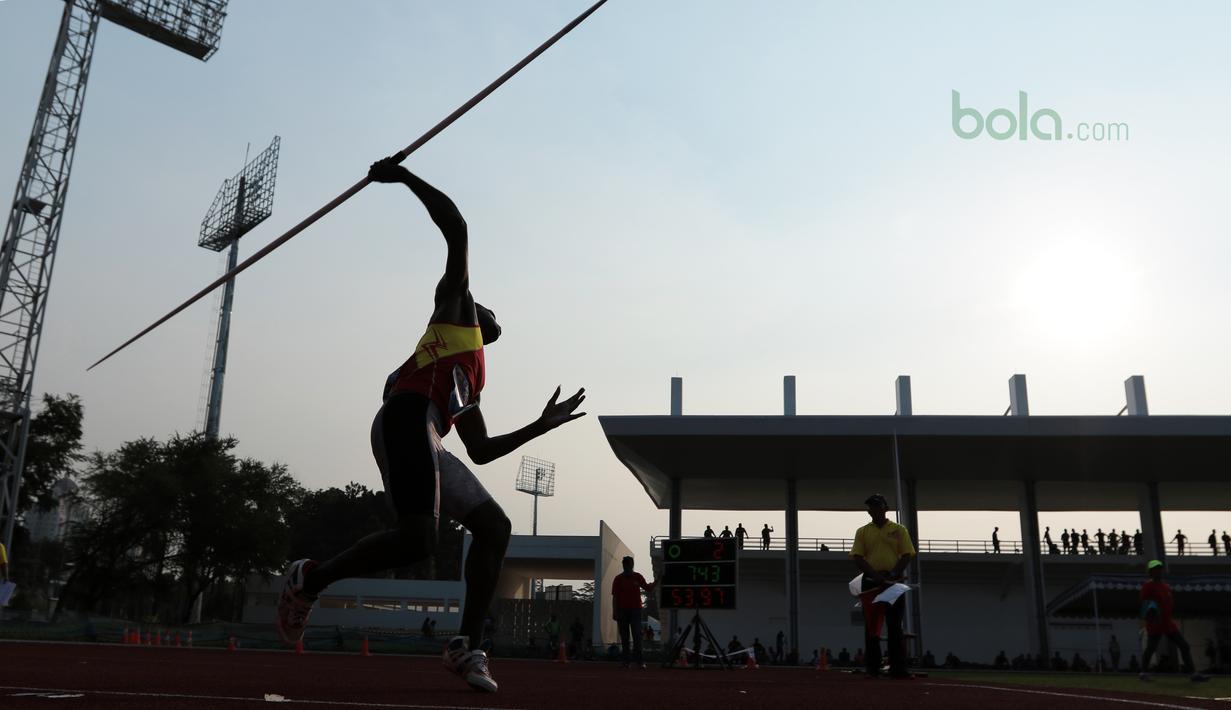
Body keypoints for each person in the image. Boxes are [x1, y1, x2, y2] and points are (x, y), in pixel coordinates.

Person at [274, 158, 586, 694]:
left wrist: (540, 424)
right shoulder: (454, 309)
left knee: (496, 527)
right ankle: (310, 579)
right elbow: (457, 227)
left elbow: (482, 450)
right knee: (420, 538)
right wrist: (406, 177)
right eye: (482, 305)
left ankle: (466, 646)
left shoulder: (472, 374)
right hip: (405, 416)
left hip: (430, 431)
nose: (489, 313)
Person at [850, 493, 915, 679]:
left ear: (886, 508)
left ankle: (898, 668)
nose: (873, 509)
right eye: (870, 506)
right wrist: (877, 577)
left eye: (877, 505)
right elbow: (857, 557)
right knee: (872, 627)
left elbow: (907, 554)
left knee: (895, 626)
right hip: (871, 583)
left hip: (893, 583)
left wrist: (892, 574)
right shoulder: (863, 531)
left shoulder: (898, 529)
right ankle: (872, 667)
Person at [1139, 559, 1208, 682]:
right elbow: (1145, 603)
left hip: (1168, 622)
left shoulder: (1165, 586)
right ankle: (1143, 672)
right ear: (1150, 572)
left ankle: (1193, 674)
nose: (1158, 571)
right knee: (1151, 648)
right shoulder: (1148, 586)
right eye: (1155, 569)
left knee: (1184, 646)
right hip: (1156, 622)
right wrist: (1150, 617)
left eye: (1159, 568)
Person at [611, 555, 655, 669]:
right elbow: (615, 596)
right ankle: (626, 661)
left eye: (629, 565)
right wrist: (615, 611)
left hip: (635, 610)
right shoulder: (618, 579)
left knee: (637, 636)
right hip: (622, 611)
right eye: (626, 565)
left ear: (632, 565)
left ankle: (639, 661)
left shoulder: (637, 577)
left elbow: (648, 588)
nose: (628, 567)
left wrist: (658, 580)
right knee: (625, 637)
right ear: (624, 566)